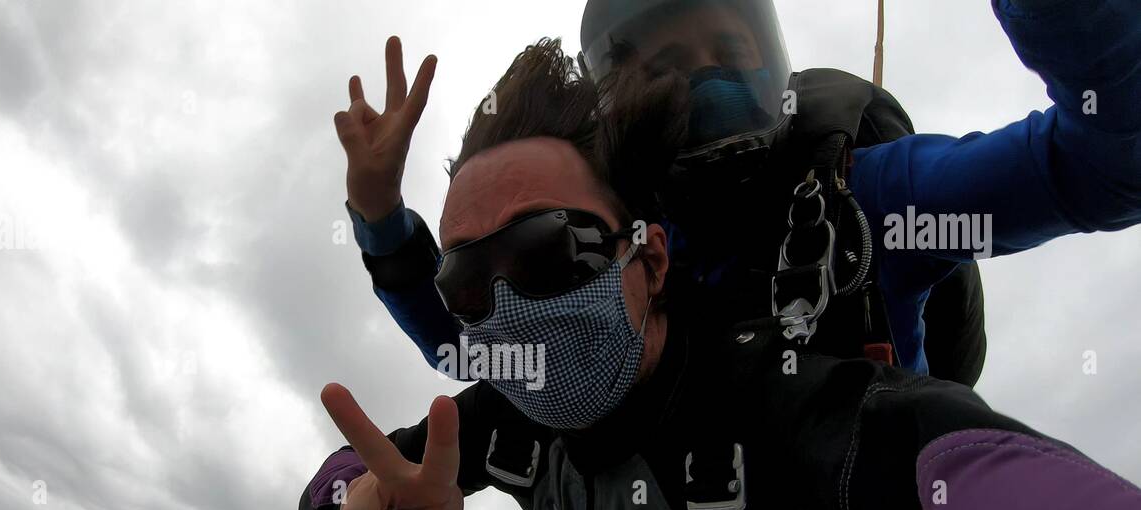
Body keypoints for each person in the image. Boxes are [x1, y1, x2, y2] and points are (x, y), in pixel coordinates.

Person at [302, 39, 1141, 510]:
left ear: (651, 258)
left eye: (549, 252)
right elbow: (337, 480)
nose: (511, 311)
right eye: (467, 285)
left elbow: (987, 498)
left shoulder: (773, 406)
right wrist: (354, 506)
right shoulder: (506, 420)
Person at [335, 0, 1140, 388]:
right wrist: (379, 215)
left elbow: (1107, 161)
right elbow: (476, 341)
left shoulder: (867, 203)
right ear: (615, 96)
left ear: (774, 63)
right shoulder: (613, 241)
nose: (706, 74)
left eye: (729, 48)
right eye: (665, 62)